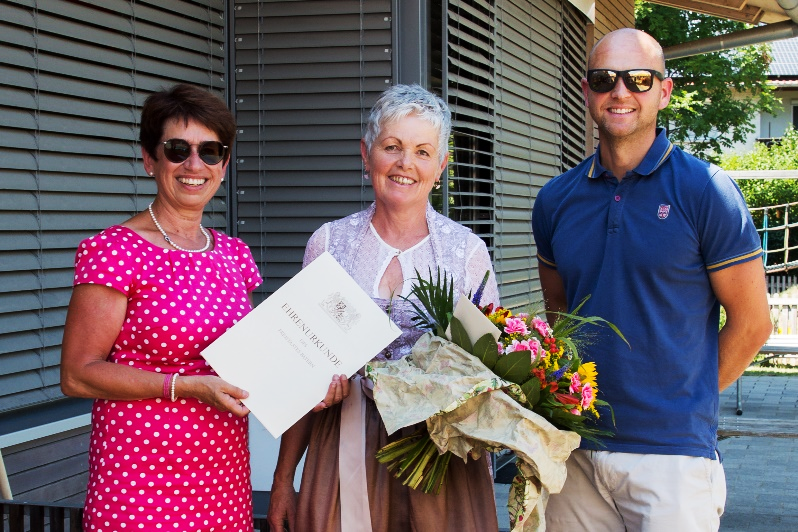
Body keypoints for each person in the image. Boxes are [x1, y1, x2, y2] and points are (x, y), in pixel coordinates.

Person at [60, 83, 348, 532]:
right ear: (149, 159)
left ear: (224, 164)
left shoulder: (233, 255)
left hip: (223, 478)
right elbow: (77, 374)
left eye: (210, 151)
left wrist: (307, 382)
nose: (194, 165)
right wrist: (188, 387)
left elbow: (255, 361)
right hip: (139, 480)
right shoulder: (115, 250)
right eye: (178, 149)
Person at [531, 28, 773, 531]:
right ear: (587, 91)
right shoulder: (554, 201)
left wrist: (686, 403)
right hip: (574, 449)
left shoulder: (707, 191)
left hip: (673, 460)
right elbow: (561, 319)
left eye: (638, 79)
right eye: (604, 79)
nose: (620, 91)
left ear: (663, 91)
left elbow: (753, 324)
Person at [267, 84, 501, 532]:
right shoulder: (329, 244)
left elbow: (491, 369)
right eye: (391, 147)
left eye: (421, 151)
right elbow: (300, 372)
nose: (405, 163)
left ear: (441, 165)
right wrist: (283, 480)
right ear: (366, 154)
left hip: (440, 455)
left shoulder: (466, 251)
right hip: (344, 444)